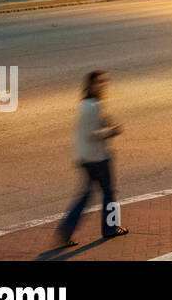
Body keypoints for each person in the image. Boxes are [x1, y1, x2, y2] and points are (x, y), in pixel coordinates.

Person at [55, 70, 128, 247]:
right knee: (108, 192)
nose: (102, 85)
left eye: (104, 82)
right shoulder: (90, 106)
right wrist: (112, 131)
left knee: (88, 195)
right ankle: (110, 228)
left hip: (87, 157)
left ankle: (66, 229)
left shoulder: (90, 104)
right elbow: (92, 134)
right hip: (97, 158)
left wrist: (106, 122)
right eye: (98, 82)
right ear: (90, 85)